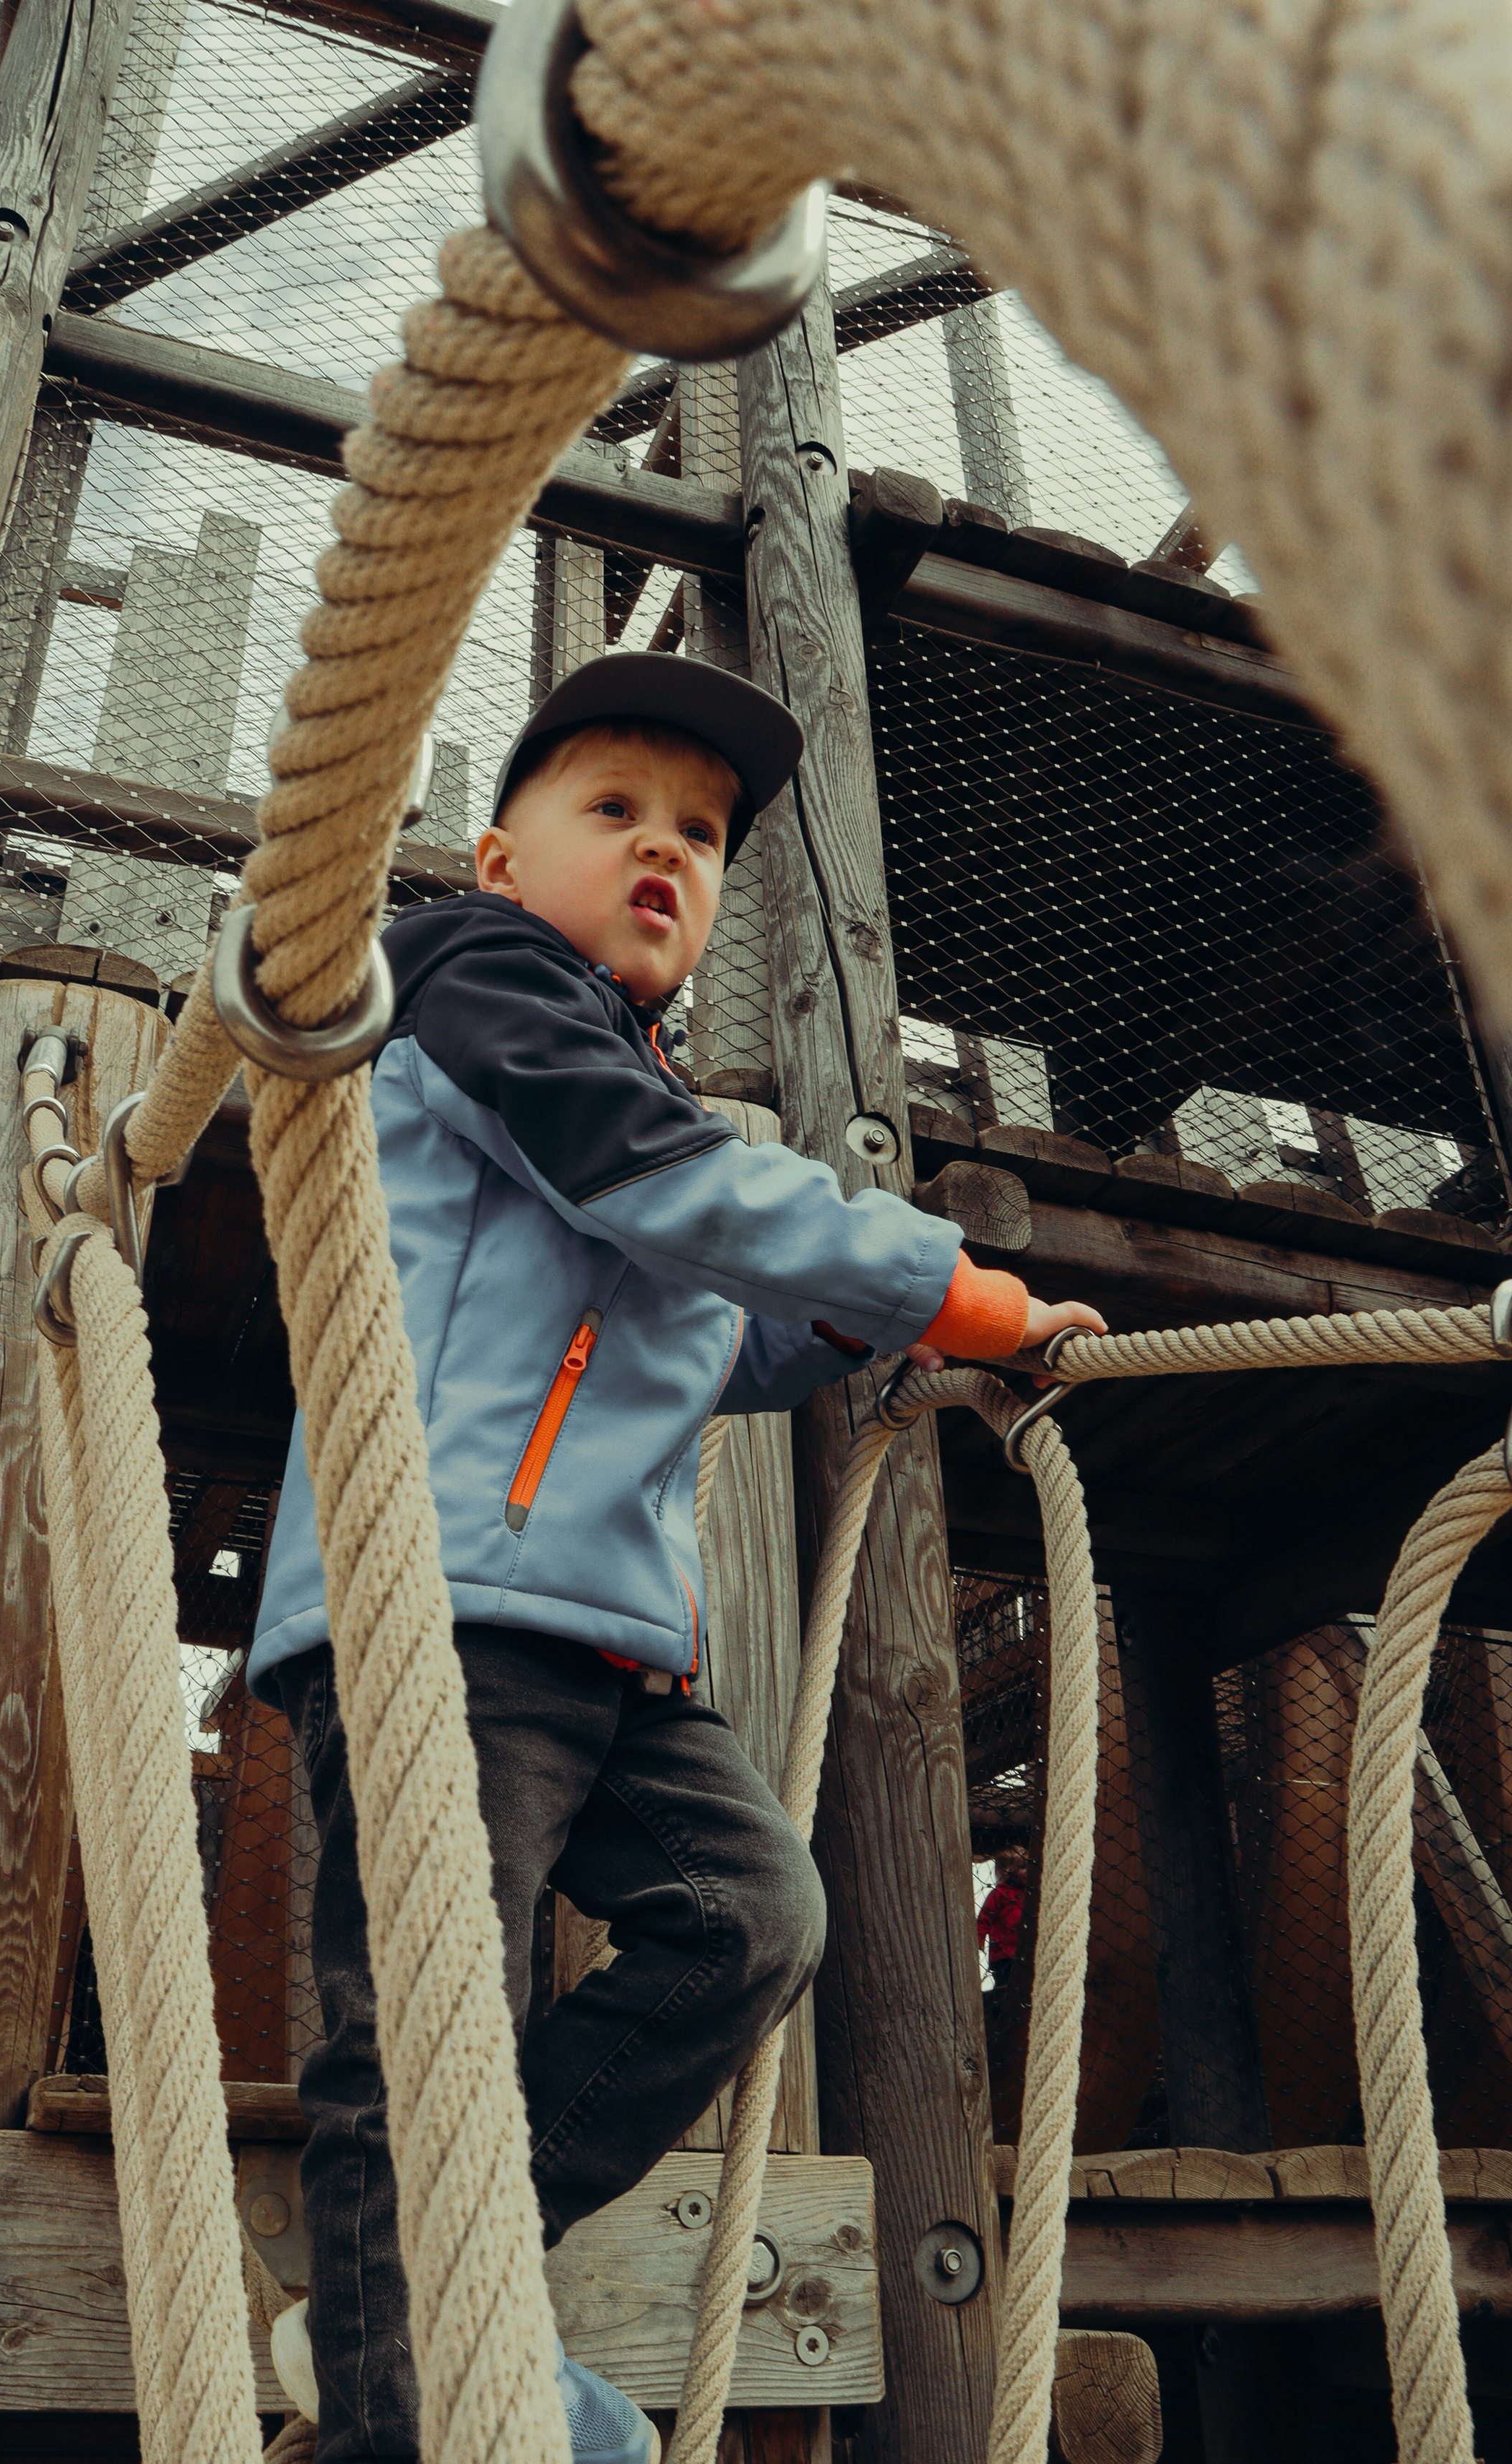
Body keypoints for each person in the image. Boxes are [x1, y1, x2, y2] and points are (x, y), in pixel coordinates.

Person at [249, 652, 1107, 2464]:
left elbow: (696, 1341)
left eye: (702, 835)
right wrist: (929, 1274)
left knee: (750, 1921)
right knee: (415, 2041)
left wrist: (885, 1349)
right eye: (614, 811)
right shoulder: (472, 985)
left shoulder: (620, 1093)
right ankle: (390, 2410)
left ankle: (411, 2285)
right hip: (440, 1612)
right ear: (494, 859)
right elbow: (654, 1182)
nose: (665, 853)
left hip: (604, 1648)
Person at [977, 1846, 1029, 1990]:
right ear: (1008, 1872)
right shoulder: (999, 1894)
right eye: (1023, 1867)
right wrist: (979, 1938)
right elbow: (984, 1918)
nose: (1029, 1871)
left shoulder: (1030, 1894)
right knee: (1005, 1987)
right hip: (1004, 1954)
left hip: (1025, 1951)